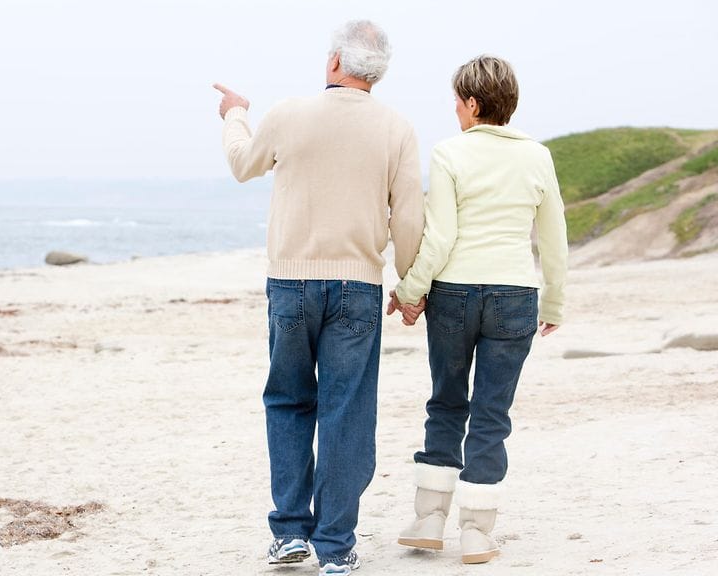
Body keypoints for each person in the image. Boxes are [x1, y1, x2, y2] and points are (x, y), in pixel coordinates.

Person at [213, 20, 425, 576]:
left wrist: (235, 113)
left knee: (287, 402)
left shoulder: (287, 114)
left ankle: (288, 533)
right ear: (377, 73)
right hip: (358, 283)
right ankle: (335, 545)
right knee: (346, 412)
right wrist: (409, 285)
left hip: (290, 282)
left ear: (334, 62)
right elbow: (407, 215)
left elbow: (242, 165)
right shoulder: (397, 128)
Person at [388, 55, 568, 564]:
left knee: (446, 402)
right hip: (514, 294)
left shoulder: (450, 153)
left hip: (454, 293)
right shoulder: (538, 156)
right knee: (491, 412)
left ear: (472, 102)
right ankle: (475, 531)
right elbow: (553, 236)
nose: (454, 111)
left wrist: (409, 290)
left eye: (456, 101)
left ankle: (428, 519)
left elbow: (440, 235)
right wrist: (555, 298)